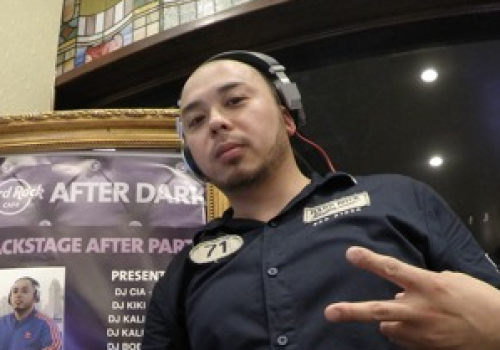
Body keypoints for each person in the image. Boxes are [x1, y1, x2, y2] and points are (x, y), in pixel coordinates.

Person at [141, 50, 500, 350]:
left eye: (234, 101)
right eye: (196, 120)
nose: (216, 122)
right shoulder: (184, 273)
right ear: (191, 155)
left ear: (287, 117)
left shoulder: (401, 200)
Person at [0, 277, 62, 350]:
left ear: (35, 297)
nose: (18, 295)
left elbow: (55, 347)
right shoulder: (2, 322)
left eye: (25, 291)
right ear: (10, 298)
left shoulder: (46, 324)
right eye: (15, 291)